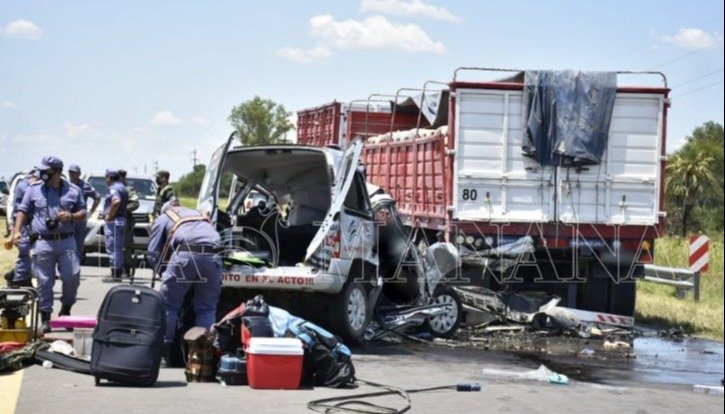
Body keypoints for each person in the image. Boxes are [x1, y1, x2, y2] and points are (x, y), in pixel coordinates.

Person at [12, 156, 86, 332]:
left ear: (57, 172)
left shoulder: (73, 190)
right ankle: (45, 318)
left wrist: (72, 216)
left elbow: (83, 212)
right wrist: (17, 231)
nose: (41, 173)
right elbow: (22, 211)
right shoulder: (34, 189)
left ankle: (66, 310)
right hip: (43, 242)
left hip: (67, 240)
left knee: (72, 277)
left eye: (46, 171)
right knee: (45, 281)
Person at [147, 198, 221, 363]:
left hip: (185, 255)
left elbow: (153, 252)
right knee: (207, 309)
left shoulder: (165, 216)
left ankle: (164, 354)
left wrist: (161, 272)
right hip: (213, 257)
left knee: (168, 305)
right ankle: (204, 354)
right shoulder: (199, 214)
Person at [6, 169, 40, 288]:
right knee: (25, 251)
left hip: (29, 224)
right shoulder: (25, 186)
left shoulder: (27, 185)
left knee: (31, 253)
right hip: (23, 224)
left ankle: (19, 277)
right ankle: (18, 279)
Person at [67, 164, 100, 262]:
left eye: (74, 172)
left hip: (80, 219)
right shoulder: (64, 184)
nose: (72, 174)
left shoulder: (85, 186)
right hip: (67, 218)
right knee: (66, 242)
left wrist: (91, 212)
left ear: (79, 173)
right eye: (70, 172)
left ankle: (76, 265)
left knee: (78, 244)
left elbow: (97, 198)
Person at [100, 169, 128, 282]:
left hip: (114, 221)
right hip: (121, 220)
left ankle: (115, 275)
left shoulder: (113, 188)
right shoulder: (122, 187)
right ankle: (118, 273)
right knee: (118, 248)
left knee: (113, 247)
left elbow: (116, 201)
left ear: (109, 178)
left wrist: (109, 215)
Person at [118, 169, 140, 278]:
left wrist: (123, 209)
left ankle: (126, 269)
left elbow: (135, 203)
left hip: (126, 220)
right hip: (114, 221)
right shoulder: (113, 189)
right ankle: (116, 269)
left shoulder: (128, 189)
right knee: (115, 245)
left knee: (126, 245)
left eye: (121, 176)